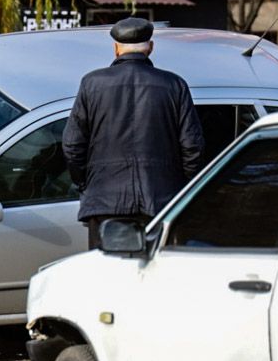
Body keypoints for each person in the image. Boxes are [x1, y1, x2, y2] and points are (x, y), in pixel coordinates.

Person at [63, 17, 204, 249]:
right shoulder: (174, 85)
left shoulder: (92, 84)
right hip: (161, 201)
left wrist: (86, 183)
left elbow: (72, 145)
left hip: (105, 201)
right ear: (150, 47)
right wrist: (180, 187)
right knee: (156, 269)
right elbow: (192, 146)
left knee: (109, 268)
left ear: (116, 49)